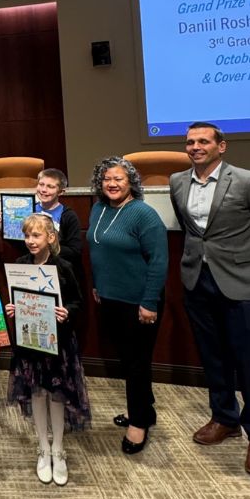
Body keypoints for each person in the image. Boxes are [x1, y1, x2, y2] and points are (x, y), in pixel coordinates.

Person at [170, 122, 250, 477]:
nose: (195, 147)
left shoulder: (249, 181)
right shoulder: (178, 182)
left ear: (222, 146)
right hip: (197, 281)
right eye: (190, 142)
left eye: (203, 141)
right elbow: (192, 230)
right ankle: (224, 418)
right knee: (213, 357)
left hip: (245, 284)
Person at [86, 156, 167, 455]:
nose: (112, 183)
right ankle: (145, 411)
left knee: (136, 364)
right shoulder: (98, 209)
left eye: (119, 178)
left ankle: (139, 423)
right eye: (107, 179)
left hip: (139, 302)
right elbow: (98, 252)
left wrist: (148, 302)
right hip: (110, 298)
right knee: (128, 360)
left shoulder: (143, 214)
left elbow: (159, 262)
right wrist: (97, 284)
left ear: (131, 182)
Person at [6, 214, 90, 486]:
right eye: (27, 236)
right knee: (37, 394)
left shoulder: (64, 267)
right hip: (30, 342)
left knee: (57, 395)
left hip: (58, 344)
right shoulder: (19, 265)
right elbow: (17, 299)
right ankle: (43, 447)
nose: (30, 241)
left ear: (51, 238)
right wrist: (13, 310)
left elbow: (78, 301)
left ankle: (58, 449)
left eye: (36, 236)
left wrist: (67, 312)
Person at [0, 168, 83, 274]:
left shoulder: (68, 216)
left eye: (50, 186)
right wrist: (6, 228)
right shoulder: (27, 210)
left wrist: (46, 246)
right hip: (31, 268)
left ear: (61, 192)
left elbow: (74, 251)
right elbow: (21, 244)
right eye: (41, 184)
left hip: (58, 271)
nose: (43, 190)